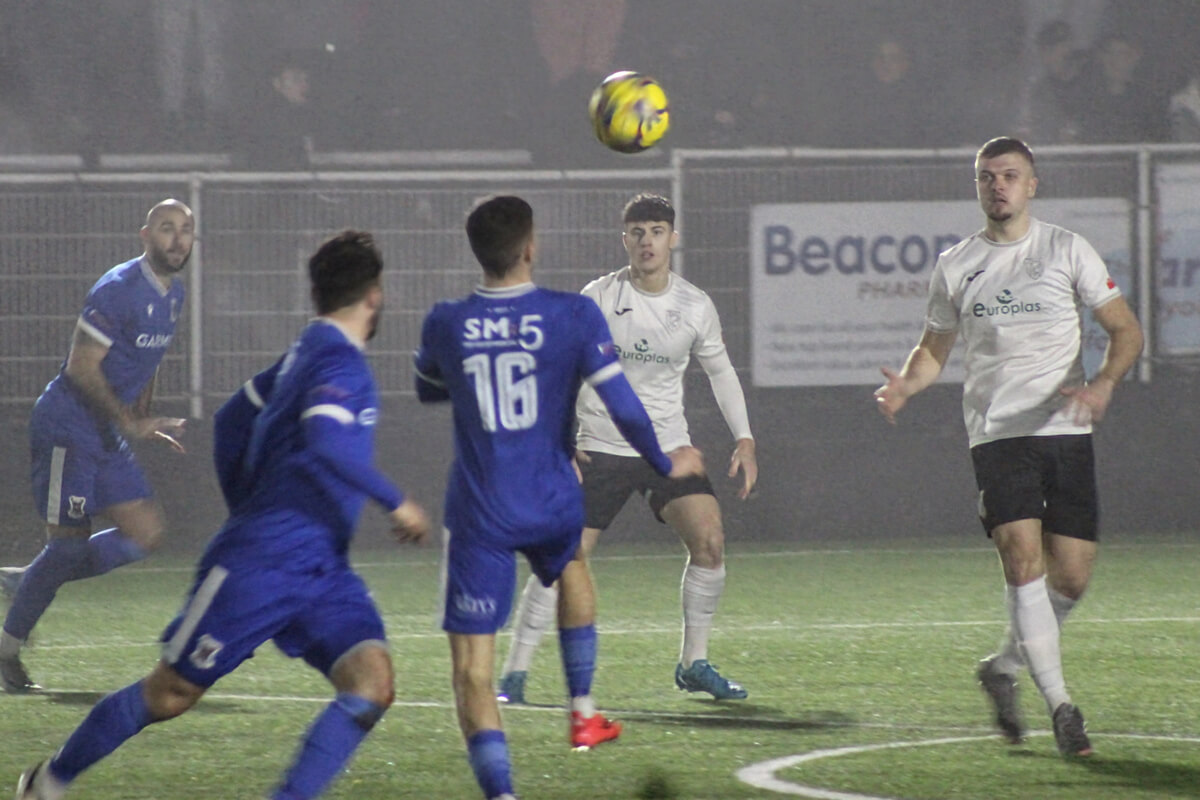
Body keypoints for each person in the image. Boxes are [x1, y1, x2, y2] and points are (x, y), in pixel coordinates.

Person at [15, 229, 431, 799]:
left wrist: (249, 503)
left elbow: (237, 416)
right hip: (264, 563)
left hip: (320, 570)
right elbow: (326, 441)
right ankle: (48, 781)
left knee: (372, 684)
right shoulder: (340, 363)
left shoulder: (305, 353)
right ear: (376, 296)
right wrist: (397, 501)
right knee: (169, 694)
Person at [413, 195, 703, 800]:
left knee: (471, 672)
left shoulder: (445, 320)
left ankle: (503, 794)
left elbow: (428, 388)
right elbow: (622, 404)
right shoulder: (573, 315)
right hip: (550, 495)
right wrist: (661, 460)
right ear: (530, 247)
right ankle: (582, 709)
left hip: (481, 508)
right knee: (572, 569)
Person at [874, 137, 1144, 758]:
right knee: (1022, 561)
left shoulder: (1065, 248)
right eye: (987, 177)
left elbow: (1126, 329)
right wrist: (907, 386)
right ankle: (1062, 707)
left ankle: (1002, 668)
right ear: (977, 187)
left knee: (1070, 579)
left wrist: (1103, 384)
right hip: (998, 435)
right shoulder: (956, 264)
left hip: (1066, 431)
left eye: (1010, 176)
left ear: (1032, 185)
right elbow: (934, 348)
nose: (998, 186)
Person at [497, 193, 757, 705]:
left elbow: (721, 372)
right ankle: (515, 674)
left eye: (657, 231)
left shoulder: (694, 305)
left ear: (672, 239)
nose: (647, 241)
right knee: (562, 558)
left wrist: (745, 438)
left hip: (667, 448)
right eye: (638, 232)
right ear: (625, 240)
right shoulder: (597, 298)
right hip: (600, 447)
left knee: (709, 542)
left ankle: (693, 664)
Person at [0, 200, 194, 695]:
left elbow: (148, 360)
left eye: (186, 230)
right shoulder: (117, 289)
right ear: (145, 235)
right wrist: (128, 419)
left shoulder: (174, 295)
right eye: (167, 229)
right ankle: (5, 652)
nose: (177, 239)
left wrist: (142, 416)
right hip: (68, 425)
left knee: (145, 534)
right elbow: (81, 368)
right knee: (66, 544)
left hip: (105, 430)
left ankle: (28, 580)